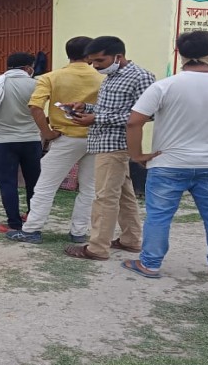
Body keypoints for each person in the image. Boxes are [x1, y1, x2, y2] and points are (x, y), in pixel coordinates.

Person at [122, 30, 208, 280]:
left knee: (159, 216)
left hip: (168, 163)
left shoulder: (164, 86)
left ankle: (150, 264)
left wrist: (137, 155)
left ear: (180, 53)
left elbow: (134, 122)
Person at [64, 36, 155, 261]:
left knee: (104, 197)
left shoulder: (141, 76)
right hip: (103, 142)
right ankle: (131, 240)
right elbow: (110, 109)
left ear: (118, 57)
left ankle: (97, 248)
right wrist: (86, 108)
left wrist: (97, 118)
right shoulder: (111, 77)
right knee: (123, 195)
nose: (95, 66)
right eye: (92, 61)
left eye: (99, 61)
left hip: (117, 145)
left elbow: (147, 114)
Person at [5, 36, 103, 244]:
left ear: (68, 53)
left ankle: (32, 230)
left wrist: (47, 133)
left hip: (66, 138)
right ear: (89, 55)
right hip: (96, 137)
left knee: (45, 186)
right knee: (89, 189)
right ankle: (79, 232)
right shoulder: (102, 78)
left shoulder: (51, 77)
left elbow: (35, 107)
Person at [0, 52, 41, 233]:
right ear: (28, 68)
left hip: (5, 142)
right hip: (32, 140)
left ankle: (14, 222)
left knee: (7, 183)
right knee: (34, 182)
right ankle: (33, 217)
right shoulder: (37, 85)